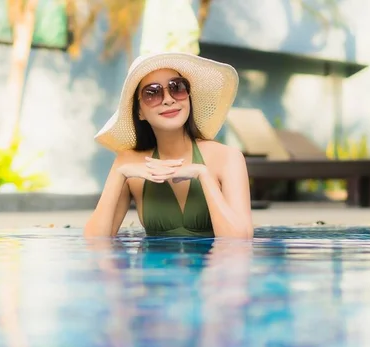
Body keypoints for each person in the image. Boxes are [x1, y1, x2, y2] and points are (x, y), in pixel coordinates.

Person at [84, 52, 253, 239]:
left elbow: (240, 240)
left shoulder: (227, 158)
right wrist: (119, 174)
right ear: (139, 111)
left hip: (212, 268)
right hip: (154, 268)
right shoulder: (128, 163)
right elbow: (95, 241)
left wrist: (203, 175)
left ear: (189, 97)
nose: (168, 99)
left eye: (177, 87)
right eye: (152, 93)